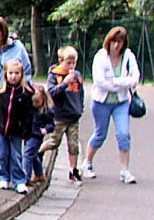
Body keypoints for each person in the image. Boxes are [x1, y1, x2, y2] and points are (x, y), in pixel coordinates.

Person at [83, 26, 140, 184]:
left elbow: (135, 78)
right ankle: (87, 162)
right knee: (100, 134)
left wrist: (115, 81)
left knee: (123, 134)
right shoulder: (100, 57)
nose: (116, 45)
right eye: (114, 41)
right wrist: (122, 83)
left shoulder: (128, 56)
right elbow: (100, 81)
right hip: (101, 102)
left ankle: (125, 170)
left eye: (120, 42)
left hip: (121, 102)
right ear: (109, 41)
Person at [0, 17, 32, 178]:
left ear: (4, 32)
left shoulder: (18, 48)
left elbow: (27, 71)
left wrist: (24, 90)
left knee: (10, 130)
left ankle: (11, 167)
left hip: (10, 95)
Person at [0, 59, 35, 193]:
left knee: (16, 156)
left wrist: (27, 132)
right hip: (1, 128)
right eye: (11, 73)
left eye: (17, 73)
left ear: (21, 74)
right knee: (2, 154)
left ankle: (19, 180)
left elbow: (29, 114)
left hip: (16, 130)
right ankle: (4, 177)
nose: (13, 76)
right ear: (6, 74)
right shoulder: (1, 92)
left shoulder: (25, 93)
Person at [38, 46, 85, 182]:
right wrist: (65, 83)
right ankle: (38, 152)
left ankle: (73, 169)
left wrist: (80, 108)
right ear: (61, 61)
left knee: (73, 144)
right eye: (68, 63)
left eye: (74, 63)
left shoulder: (77, 76)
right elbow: (51, 92)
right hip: (59, 116)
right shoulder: (55, 75)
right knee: (54, 142)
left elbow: (80, 93)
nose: (71, 66)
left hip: (73, 115)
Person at [24, 84, 54, 185]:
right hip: (28, 133)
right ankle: (39, 173)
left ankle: (26, 177)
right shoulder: (31, 109)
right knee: (33, 154)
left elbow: (51, 124)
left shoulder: (46, 111)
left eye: (37, 102)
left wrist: (46, 129)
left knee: (28, 155)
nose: (35, 105)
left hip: (37, 135)